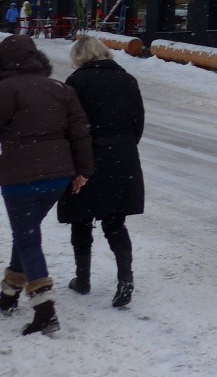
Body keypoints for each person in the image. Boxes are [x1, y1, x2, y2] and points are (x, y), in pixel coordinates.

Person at [0, 34, 93, 336]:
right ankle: (8, 295)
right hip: (57, 177)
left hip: (20, 177)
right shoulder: (60, 88)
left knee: (27, 238)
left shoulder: (5, 89)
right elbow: (80, 132)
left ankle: (44, 309)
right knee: (26, 233)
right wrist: (83, 171)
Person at [56, 36, 144, 310]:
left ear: (80, 57)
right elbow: (137, 122)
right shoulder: (128, 80)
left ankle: (82, 279)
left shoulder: (76, 82)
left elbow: (69, 126)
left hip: (87, 158)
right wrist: (123, 147)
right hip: (122, 157)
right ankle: (125, 280)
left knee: (81, 220)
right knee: (115, 221)